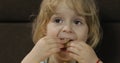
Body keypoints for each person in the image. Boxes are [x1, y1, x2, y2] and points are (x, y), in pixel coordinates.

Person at [21, 0, 103, 63]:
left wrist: (94, 61)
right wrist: (32, 58)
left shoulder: (89, 61)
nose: (67, 29)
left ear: (89, 33)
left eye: (77, 22)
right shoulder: (37, 60)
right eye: (57, 20)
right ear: (44, 28)